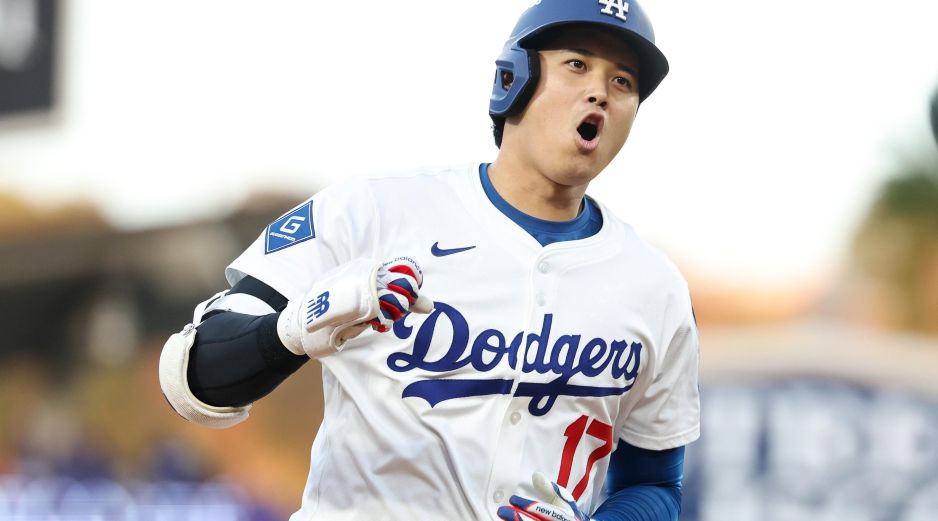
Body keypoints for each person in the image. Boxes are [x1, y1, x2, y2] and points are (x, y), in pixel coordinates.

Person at [158, 1, 700, 520]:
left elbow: (653, 485)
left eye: (622, 81)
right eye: (576, 64)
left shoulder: (654, 287)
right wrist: (294, 327)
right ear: (515, 78)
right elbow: (195, 375)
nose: (599, 93)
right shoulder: (371, 211)